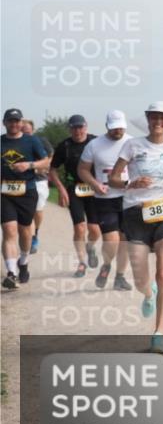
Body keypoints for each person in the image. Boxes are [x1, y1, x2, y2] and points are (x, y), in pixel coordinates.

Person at [109, 102, 163, 354]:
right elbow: (113, 178)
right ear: (147, 119)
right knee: (142, 277)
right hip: (135, 212)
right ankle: (147, 292)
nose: (158, 122)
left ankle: (158, 333)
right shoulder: (132, 145)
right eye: (154, 117)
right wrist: (130, 182)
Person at [78, 110, 134, 291]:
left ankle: (120, 277)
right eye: (113, 128)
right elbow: (83, 169)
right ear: (107, 127)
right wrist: (94, 184)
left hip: (128, 198)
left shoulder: (132, 143)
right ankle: (107, 265)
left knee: (125, 240)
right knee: (112, 239)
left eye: (120, 128)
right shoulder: (94, 145)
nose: (117, 131)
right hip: (105, 197)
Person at [1, 108, 51, 289]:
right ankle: (11, 273)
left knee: (25, 232)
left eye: (16, 121)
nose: (14, 124)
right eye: (10, 121)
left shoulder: (32, 141)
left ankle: (23, 261)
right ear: (4, 123)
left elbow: (45, 162)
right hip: (5, 193)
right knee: (9, 230)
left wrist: (28, 165)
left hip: (27, 192)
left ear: (21, 123)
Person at [49, 115, 99, 277]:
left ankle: (90, 247)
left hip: (93, 189)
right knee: (79, 227)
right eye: (74, 127)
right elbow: (52, 169)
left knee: (94, 230)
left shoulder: (96, 142)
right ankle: (81, 263)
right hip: (74, 189)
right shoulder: (64, 146)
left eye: (80, 127)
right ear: (70, 129)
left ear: (86, 127)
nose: (78, 131)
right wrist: (61, 189)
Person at [20, 119, 54, 254]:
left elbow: (51, 155)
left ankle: (35, 234)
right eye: (23, 132)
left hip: (39, 180)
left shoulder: (41, 141)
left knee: (37, 210)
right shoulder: (14, 143)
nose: (25, 134)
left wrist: (45, 166)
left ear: (32, 130)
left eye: (28, 132)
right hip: (19, 182)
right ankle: (22, 236)